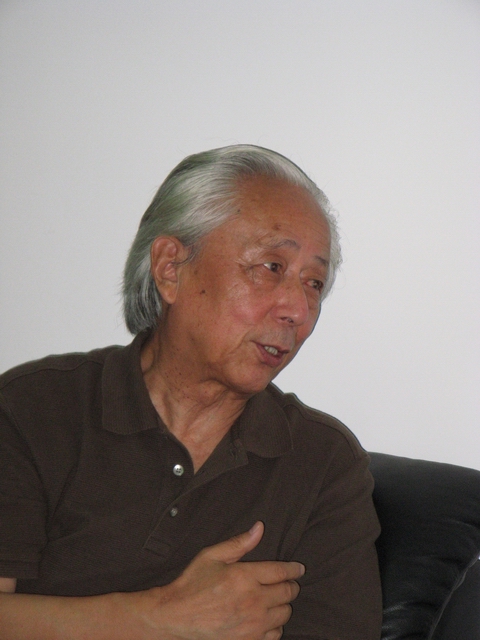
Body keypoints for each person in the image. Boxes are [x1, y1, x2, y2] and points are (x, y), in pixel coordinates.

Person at [0, 145, 382, 639]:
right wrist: (157, 619)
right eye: (271, 267)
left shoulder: (324, 463)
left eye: (314, 283)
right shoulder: (33, 410)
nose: (297, 310)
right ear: (170, 268)